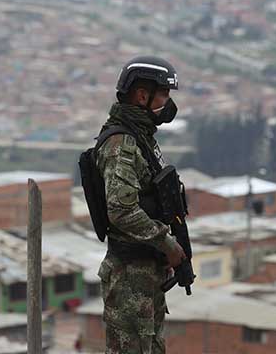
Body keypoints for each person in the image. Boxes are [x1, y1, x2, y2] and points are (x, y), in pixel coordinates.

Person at [96, 55, 186, 354]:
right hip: (129, 278)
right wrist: (166, 243)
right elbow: (121, 211)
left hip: (144, 274)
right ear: (142, 95)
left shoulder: (140, 138)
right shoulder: (121, 143)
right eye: (163, 94)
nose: (168, 103)